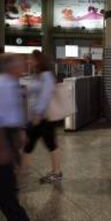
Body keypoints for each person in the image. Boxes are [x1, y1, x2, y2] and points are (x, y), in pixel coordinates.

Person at [21, 50, 62, 184]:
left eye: (31, 59)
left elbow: (45, 96)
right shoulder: (38, 75)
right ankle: (22, 174)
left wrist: (38, 114)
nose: (28, 61)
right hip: (38, 117)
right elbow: (33, 90)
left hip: (44, 117)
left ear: (38, 60)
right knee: (32, 145)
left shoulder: (46, 76)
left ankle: (21, 176)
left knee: (44, 144)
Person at [0, 54, 30, 221]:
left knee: (8, 192)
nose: (24, 67)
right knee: (8, 199)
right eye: (20, 64)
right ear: (11, 67)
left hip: (9, 136)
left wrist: (21, 130)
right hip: (3, 139)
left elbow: (15, 109)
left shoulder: (12, 83)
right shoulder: (3, 85)